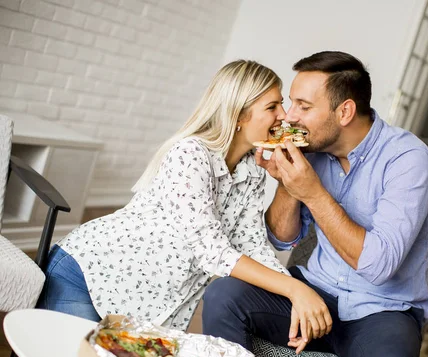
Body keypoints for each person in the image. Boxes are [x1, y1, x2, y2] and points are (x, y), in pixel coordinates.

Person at [202, 51, 428, 357]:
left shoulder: (409, 161)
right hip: (316, 291)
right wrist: (287, 183)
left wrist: (312, 193)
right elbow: (281, 238)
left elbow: (379, 266)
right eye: (289, 104)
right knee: (224, 293)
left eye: (303, 106)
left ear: (344, 111)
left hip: (383, 310)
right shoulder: (311, 148)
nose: (288, 116)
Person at [39, 60, 331, 334]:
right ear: (239, 114)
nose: (284, 115)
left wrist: (298, 296)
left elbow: (252, 245)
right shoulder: (190, 155)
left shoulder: (252, 171)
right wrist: (296, 290)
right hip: (86, 274)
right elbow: (213, 251)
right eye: (273, 106)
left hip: (148, 304)